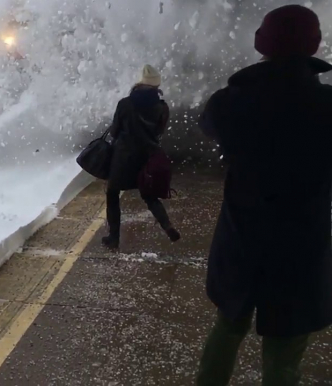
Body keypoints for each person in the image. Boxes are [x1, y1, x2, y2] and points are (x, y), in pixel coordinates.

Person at [197, 5, 332, 385]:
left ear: (263, 44)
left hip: (242, 241)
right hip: (301, 250)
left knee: (226, 329)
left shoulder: (230, 104)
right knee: (285, 354)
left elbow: (210, 124)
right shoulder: (326, 108)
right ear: (314, 46)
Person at [101, 64, 181, 249]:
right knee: (150, 196)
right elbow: (159, 132)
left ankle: (113, 238)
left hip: (123, 158)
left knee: (113, 194)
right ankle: (167, 225)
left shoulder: (125, 104)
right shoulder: (162, 108)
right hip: (147, 158)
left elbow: (114, 131)